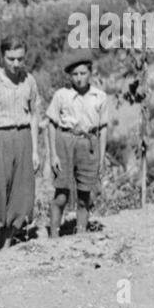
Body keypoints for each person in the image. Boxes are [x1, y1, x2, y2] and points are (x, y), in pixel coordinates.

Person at [0, 36, 42, 250]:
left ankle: (8, 244)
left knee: (21, 193)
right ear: (2, 57)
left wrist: (35, 151)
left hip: (22, 138)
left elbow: (34, 115)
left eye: (20, 59)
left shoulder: (29, 81)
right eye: (11, 58)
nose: (16, 64)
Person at [46, 55, 109, 237]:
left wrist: (101, 156)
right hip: (65, 141)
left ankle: (80, 234)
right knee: (61, 194)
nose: (79, 77)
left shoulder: (100, 96)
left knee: (84, 194)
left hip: (88, 143)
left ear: (90, 73)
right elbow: (51, 124)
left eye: (83, 73)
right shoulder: (61, 95)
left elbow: (103, 128)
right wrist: (53, 155)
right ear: (70, 76)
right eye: (75, 74)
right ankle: (54, 235)